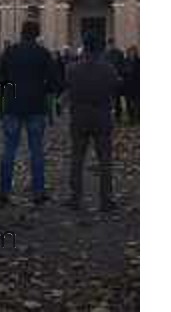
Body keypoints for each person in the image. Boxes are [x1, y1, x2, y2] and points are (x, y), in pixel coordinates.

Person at [0, 21, 60, 205]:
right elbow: (55, 82)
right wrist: (41, 88)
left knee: (9, 150)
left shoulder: (10, 52)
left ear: (21, 33)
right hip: (36, 106)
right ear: (37, 34)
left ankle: (4, 191)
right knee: (36, 150)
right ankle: (38, 192)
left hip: (13, 105)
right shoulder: (43, 54)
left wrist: (9, 85)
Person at [66, 33, 120, 212]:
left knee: (77, 159)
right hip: (102, 117)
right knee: (105, 160)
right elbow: (115, 89)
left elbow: (70, 90)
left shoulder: (72, 69)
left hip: (79, 117)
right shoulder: (108, 69)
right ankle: (106, 199)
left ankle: (75, 198)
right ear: (100, 49)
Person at [104, 38, 125, 123]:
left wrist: (120, 75)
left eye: (112, 44)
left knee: (117, 98)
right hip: (108, 79)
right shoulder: (105, 54)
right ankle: (109, 115)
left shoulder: (119, 53)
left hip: (116, 78)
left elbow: (122, 65)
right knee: (108, 98)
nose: (111, 45)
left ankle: (118, 116)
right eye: (109, 44)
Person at [123, 46, 140, 125]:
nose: (132, 53)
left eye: (133, 52)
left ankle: (138, 117)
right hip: (128, 85)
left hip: (137, 85)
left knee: (137, 103)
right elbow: (122, 71)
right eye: (130, 52)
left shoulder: (139, 61)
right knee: (128, 103)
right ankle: (131, 118)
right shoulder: (125, 61)